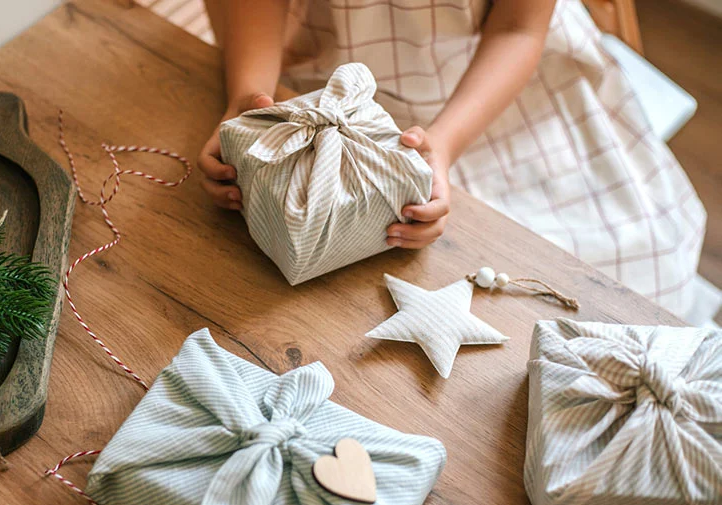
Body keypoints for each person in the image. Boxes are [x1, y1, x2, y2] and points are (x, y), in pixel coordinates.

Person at [197, 0, 706, 319]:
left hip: (502, 88)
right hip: (333, 72)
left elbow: (518, 29)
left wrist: (442, 146)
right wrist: (248, 98)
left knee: (624, 266)